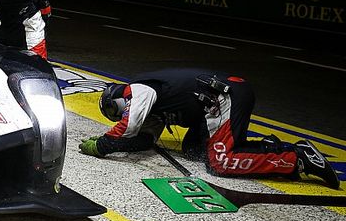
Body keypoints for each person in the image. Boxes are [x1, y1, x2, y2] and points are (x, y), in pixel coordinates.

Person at [80, 69, 339, 189]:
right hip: (212, 108)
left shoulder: (139, 89)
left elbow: (129, 126)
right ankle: (271, 148)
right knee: (194, 150)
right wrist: (112, 142)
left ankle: (296, 158)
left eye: (113, 110)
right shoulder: (150, 105)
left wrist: (102, 144)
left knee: (220, 163)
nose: (117, 116)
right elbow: (144, 139)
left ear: (119, 96)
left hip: (226, 97)